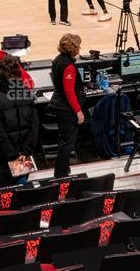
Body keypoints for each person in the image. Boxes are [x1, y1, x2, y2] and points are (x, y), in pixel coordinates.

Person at [0, 54, 38, 189]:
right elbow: (34, 126)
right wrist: (25, 151)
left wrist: (13, 155)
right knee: (20, 193)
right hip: (22, 156)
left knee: (3, 196)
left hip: (1, 158)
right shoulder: (26, 92)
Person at [49, 34, 84, 178]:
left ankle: (63, 169)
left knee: (63, 140)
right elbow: (69, 91)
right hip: (66, 109)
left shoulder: (57, 59)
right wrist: (78, 111)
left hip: (58, 104)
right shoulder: (68, 65)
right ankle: (61, 174)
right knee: (68, 142)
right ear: (73, 47)